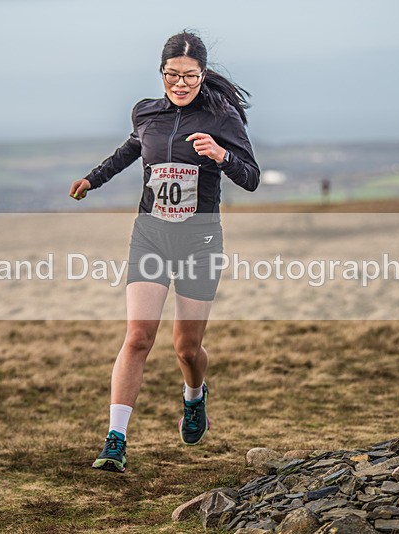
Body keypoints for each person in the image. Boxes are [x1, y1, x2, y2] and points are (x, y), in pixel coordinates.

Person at [70, 30, 260, 473]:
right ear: (161, 73)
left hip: (200, 239)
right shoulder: (146, 113)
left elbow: (251, 177)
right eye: (172, 75)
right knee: (138, 337)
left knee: (186, 349)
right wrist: (93, 179)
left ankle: (195, 396)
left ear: (202, 75)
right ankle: (115, 440)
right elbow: (131, 150)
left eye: (189, 76)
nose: (179, 84)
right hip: (151, 234)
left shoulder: (222, 117)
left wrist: (220, 156)